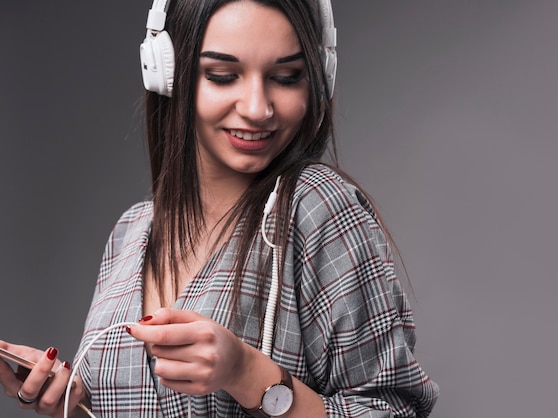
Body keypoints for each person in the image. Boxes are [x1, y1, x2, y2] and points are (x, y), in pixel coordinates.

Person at [0, 0, 439, 416]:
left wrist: (245, 372)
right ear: (168, 74)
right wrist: (71, 404)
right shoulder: (131, 231)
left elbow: (393, 410)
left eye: (286, 77)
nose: (257, 108)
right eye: (223, 75)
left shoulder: (315, 207)